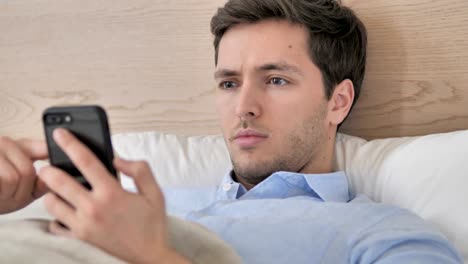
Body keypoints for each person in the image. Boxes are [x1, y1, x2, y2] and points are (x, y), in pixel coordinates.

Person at [0, 0, 463, 263]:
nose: (243, 107)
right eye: (228, 83)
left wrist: (151, 255)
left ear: (337, 101)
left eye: (276, 80)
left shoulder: (380, 233)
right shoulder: (149, 202)